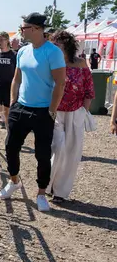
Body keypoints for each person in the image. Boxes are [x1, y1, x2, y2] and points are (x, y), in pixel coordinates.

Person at [0, 12, 66, 212]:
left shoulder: (52, 52)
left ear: (36, 29)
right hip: (21, 107)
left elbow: (60, 83)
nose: (21, 31)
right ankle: (14, 181)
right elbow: (17, 79)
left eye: (24, 28)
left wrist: (52, 110)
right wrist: (13, 101)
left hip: (43, 110)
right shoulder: (23, 51)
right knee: (10, 146)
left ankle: (41, 193)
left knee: (42, 154)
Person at [46, 31, 94, 203]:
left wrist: (83, 112)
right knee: (57, 149)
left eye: (58, 44)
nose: (55, 47)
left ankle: (60, 191)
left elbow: (89, 90)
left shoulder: (81, 63)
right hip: (55, 113)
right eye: (53, 44)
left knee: (72, 153)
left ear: (67, 46)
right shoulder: (51, 64)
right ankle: (48, 185)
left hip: (76, 113)